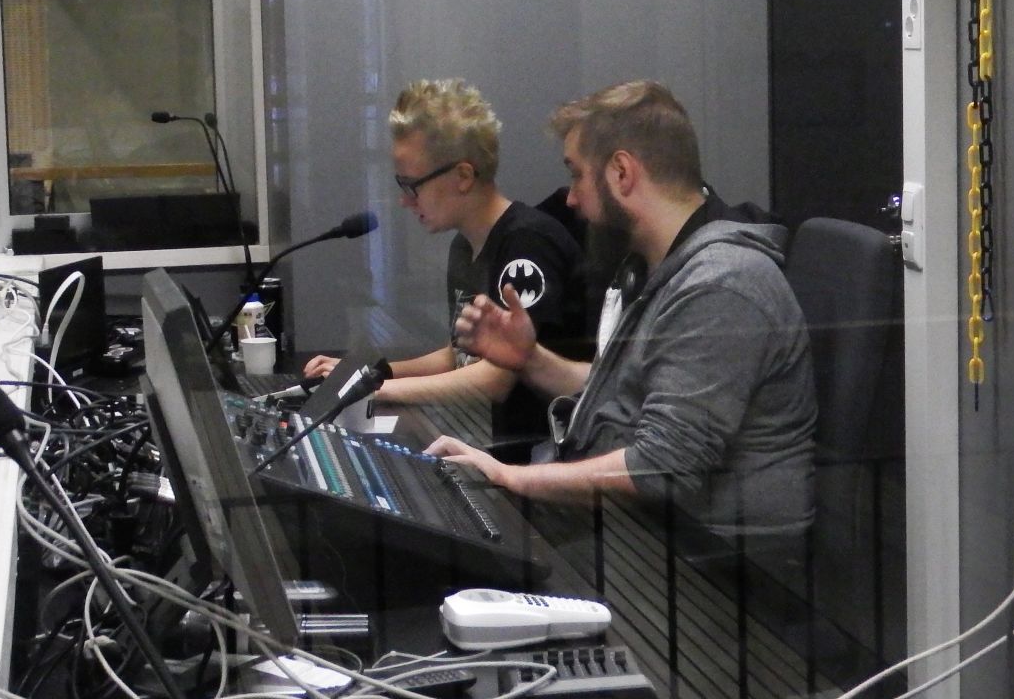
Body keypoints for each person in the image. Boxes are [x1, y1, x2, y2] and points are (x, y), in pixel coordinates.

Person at [426, 80, 816, 541]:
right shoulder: (656, 267)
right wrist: (530, 359)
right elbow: (627, 390)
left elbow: (662, 467)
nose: (570, 198)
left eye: (577, 175)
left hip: (709, 559)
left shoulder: (721, 285)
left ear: (622, 173)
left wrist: (510, 477)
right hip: (648, 531)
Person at [303, 79, 585, 451]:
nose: (405, 201)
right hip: (499, 445)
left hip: (544, 451)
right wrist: (370, 374)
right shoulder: (464, 246)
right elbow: (460, 355)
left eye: (412, 185)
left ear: (463, 176)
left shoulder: (527, 245)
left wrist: (374, 390)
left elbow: (499, 377)